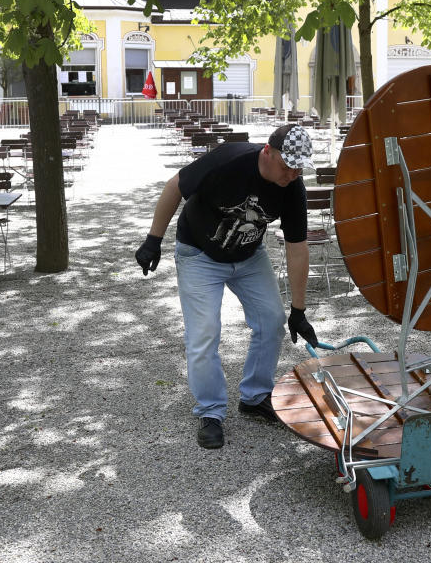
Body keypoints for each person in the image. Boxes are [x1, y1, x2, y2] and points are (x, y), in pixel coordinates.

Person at [134, 124, 319, 449]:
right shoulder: (230, 161)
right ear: (267, 151)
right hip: (199, 253)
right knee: (204, 332)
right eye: (287, 164)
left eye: (298, 167)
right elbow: (176, 185)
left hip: (248, 256)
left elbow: (297, 247)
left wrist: (299, 310)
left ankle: (255, 395)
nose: (292, 173)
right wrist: (153, 239)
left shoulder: (292, 187)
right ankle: (210, 411)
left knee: (272, 319)